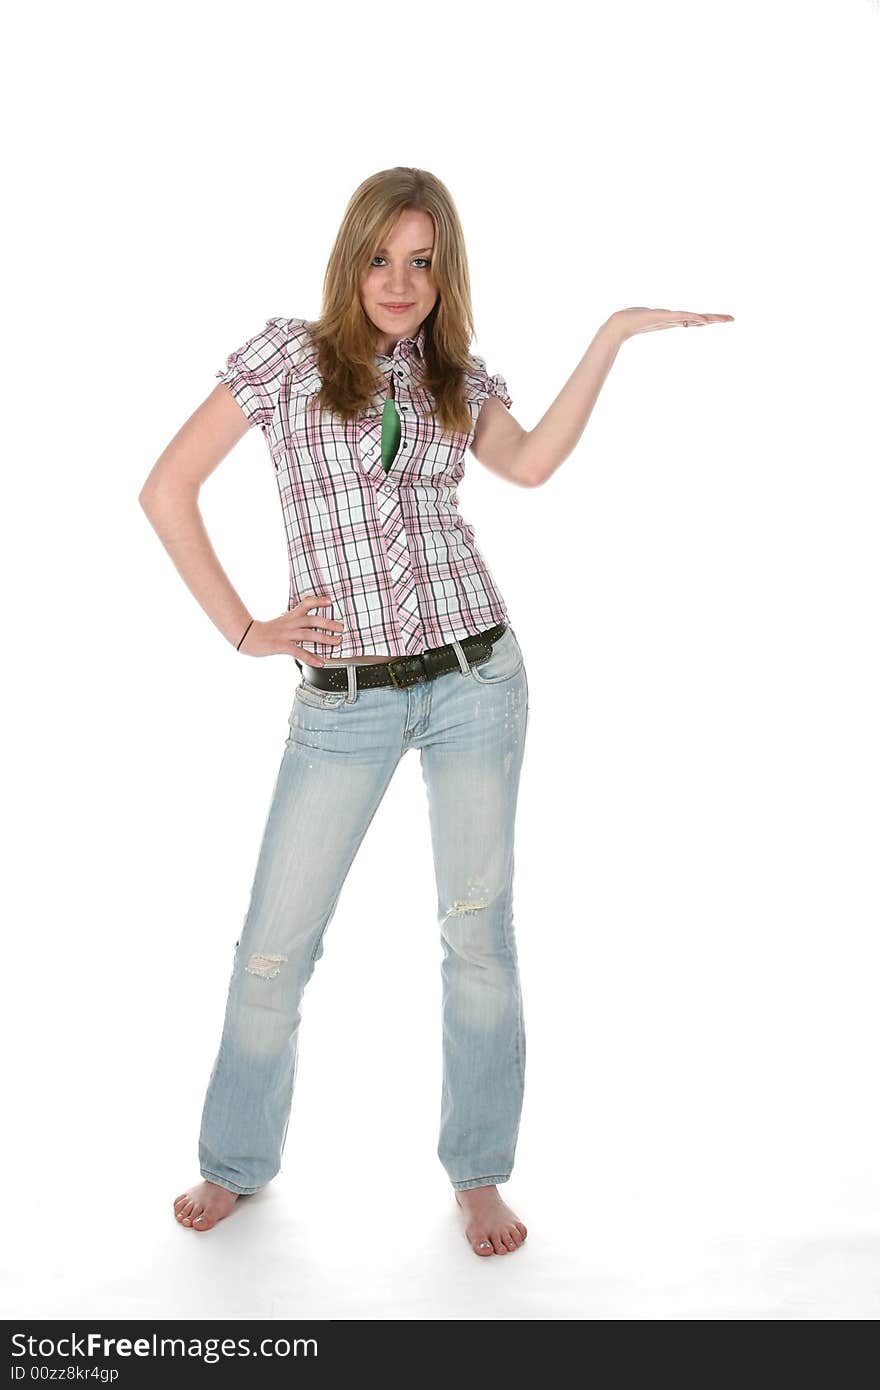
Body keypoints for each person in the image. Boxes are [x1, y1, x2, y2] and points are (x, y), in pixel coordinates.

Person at [139, 166, 733, 1256]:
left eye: (423, 260)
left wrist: (609, 335)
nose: (400, 280)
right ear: (350, 257)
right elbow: (165, 488)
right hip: (345, 698)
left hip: (475, 676)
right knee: (275, 946)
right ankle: (234, 1163)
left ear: (443, 270)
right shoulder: (284, 357)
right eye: (381, 257)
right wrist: (246, 627)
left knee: (478, 940)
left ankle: (478, 1173)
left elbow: (535, 463)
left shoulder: (455, 378)